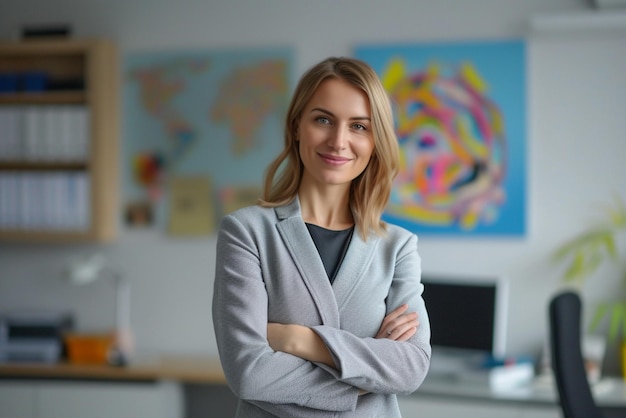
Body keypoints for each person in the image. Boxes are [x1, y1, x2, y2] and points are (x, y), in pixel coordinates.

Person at [212, 56, 431, 417]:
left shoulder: (399, 246)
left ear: (376, 140)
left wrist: (301, 341)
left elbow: (410, 368)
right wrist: (365, 379)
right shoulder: (246, 233)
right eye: (323, 120)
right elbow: (249, 374)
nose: (339, 141)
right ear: (297, 126)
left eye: (359, 126)